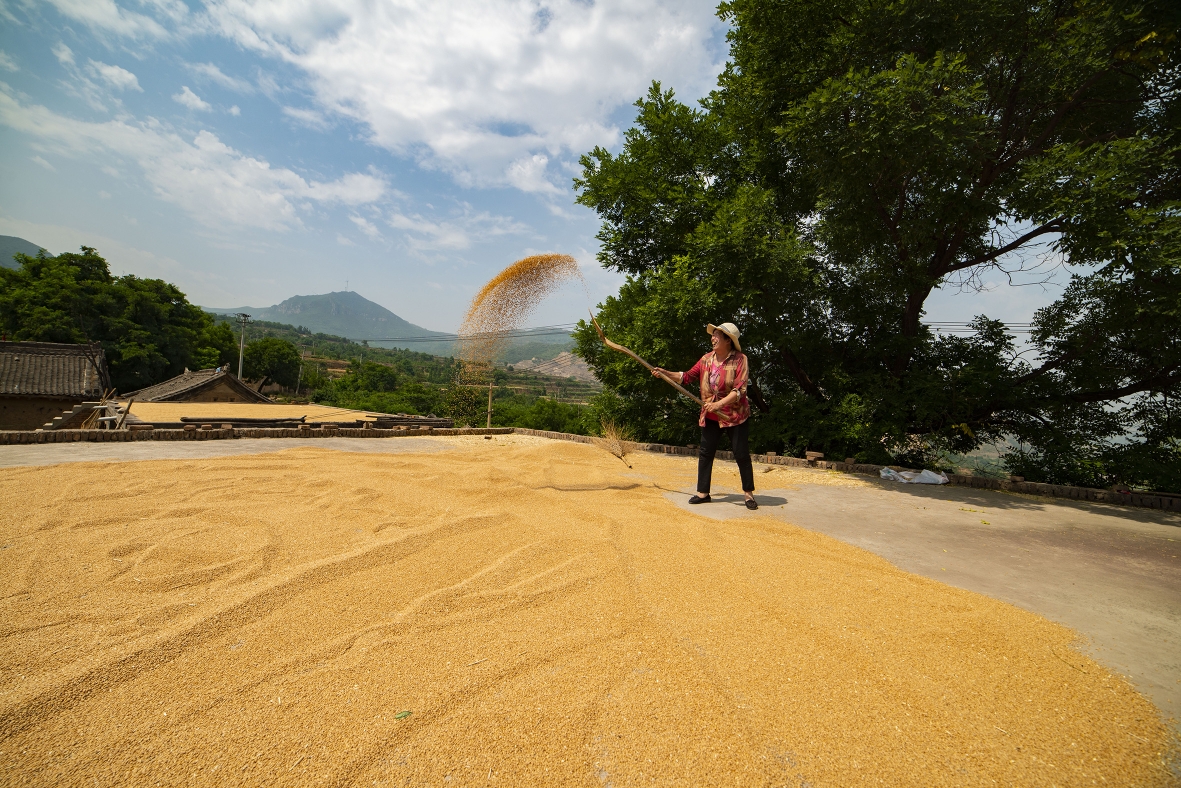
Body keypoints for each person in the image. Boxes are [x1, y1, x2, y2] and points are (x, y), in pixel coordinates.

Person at [653, 322, 757, 510]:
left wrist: (719, 404)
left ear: (728, 340)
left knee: (741, 454)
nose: (713, 338)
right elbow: (686, 376)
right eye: (713, 335)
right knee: (706, 453)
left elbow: (740, 389)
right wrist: (664, 373)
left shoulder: (740, 359)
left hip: (734, 415)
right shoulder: (706, 359)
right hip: (710, 415)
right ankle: (703, 493)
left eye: (717, 335)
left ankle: (748, 494)